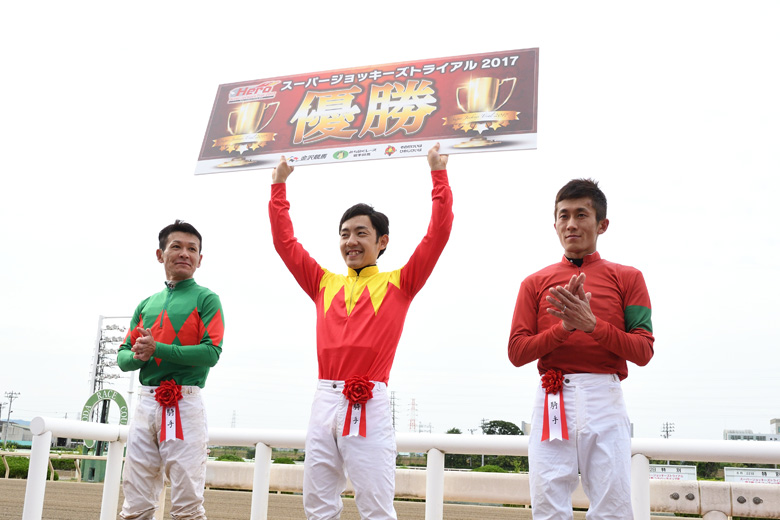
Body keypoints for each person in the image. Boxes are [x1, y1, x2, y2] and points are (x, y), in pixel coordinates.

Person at [268, 144, 453, 520]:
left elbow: (437, 234)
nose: (350, 241)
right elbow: (285, 243)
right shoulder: (323, 282)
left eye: (361, 233)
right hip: (324, 398)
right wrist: (278, 186)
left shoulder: (400, 282)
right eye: (344, 234)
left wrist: (438, 175)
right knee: (318, 505)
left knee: (376, 507)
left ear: (382, 241)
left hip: (369, 399)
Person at [508, 179, 654, 519]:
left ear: (602, 224)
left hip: (605, 396)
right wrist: (563, 330)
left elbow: (643, 350)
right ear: (555, 224)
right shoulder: (533, 283)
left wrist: (593, 326)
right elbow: (517, 352)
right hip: (552, 396)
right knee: (547, 504)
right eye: (563, 215)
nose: (571, 223)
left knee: (613, 505)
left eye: (581, 214)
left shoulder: (628, 277)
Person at [117, 220, 225, 520]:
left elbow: (211, 353)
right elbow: (123, 358)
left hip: (185, 401)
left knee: (187, 502)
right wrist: (140, 356)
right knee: (135, 502)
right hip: (146, 401)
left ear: (200, 259)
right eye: (176, 246)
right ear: (160, 254)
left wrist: (157, 349)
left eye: (192, 249)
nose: (185, 253)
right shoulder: (146, 304)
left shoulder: (207, 299)